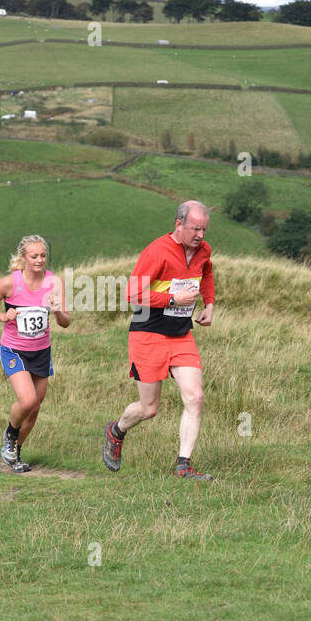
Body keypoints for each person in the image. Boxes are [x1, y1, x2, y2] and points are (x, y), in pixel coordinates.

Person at [102, 201, 215, 480]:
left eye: (204, 229)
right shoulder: (157, 251)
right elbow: (132, 295)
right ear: (178, 224)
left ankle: (183, 466)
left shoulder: (203, 251)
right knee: (148, 408)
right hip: (148, 332)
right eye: (194, 229)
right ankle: (116, 430)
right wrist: (173, 299)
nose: (200, 235)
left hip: (180, 333)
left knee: (195, 397)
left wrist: (209, 303)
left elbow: (207, 272)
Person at [0, 235, 70, 473]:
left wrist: (58, 311)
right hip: (14, 349)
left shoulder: (55, 282)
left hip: (41, 351)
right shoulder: (11, 283)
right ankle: (10, 434)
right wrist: (3, 316)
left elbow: (66, 322)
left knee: (35, 406)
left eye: (43, 255)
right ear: (23, 258)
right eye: (34, 256)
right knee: (27, 400)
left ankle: (14, 452)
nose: (40, 260)